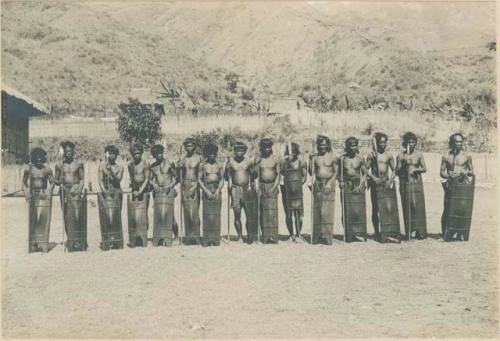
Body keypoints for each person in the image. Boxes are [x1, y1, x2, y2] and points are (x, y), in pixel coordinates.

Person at [366, 133, 400, 243]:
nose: (383, 144)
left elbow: (395, 170)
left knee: (387, 208)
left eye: (385, 142)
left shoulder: (389, 156)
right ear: (377, 143)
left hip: (386, 184)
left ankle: (387, 231)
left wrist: (390, 180)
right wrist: (373, 178)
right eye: (381, 142)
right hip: (376, 185)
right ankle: (377, 232)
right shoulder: (372, 156)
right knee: (375, 209)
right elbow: (365, 169)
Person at [440, 133, 474, 241]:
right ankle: (446, 231)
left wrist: (464, 173)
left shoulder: (467, 156)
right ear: (452, 143)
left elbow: (472, 171)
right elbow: (441, 172)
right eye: (456, 142)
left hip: (462, 186)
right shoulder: (446, 156)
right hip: (451, 186)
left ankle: (460, 232)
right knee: (447, 207)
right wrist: (449, 175)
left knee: (461, 209)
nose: (459, 144)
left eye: (460, 141)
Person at [54, 140, 87, 251]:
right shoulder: (59, 165)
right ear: (64, 152)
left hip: (75, 191)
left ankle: (79, 238)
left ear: (73, 151)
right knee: (67, 216)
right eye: (66, 151)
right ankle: (71, 239)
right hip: (64, 192)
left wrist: (78, 189)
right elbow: (56, 181)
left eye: (70, 151)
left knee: (77, 215)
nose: (68, 153)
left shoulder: (79, 164)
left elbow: (82, 180)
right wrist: (60, 181)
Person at [225, 141, 258, 243]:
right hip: (235, 190)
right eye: (237, 150)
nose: (239, 152)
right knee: (237, 214)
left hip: (247, 189)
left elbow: (254, 176)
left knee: (249, 215)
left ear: (244, 151)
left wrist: (253, 168)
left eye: (241, 150)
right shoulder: (230, 162)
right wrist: (226, 170)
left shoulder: (249, 161)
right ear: (234, 151)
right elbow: (226, 177)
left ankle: (249, 235)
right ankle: (239, 236)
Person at [396, 132, 427, 240]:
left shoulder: (419, 154)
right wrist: (404, 165)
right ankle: (409, 231)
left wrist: (415, 169)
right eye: (409, 142)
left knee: (417, 206)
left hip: (416, 182)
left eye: (413, 142)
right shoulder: (401, 156)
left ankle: (420, 231)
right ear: (405, 143)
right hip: (405, 183)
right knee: (407, 205)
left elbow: (424, 168)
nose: (411, 144)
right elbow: (397, 171)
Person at [23, 147, 54, 252]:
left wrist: (47, 192)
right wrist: (26, 193)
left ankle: (43, 243)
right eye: (37, 158)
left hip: (43, 195)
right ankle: (33, 243)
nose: (39, 160)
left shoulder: (47, 169)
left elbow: (52, 182)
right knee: (33, 218)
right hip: (33, 195)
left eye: (41, 157)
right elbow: (23, 183)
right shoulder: (29, 169)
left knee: (44, 218)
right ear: (33, 158)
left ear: (44, 158)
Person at [309, 135, 338, 245]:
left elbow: (336, 172)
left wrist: (330, 183)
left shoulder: (333, 157)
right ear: (317, 145)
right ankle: (317, 236)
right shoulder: (315, 157)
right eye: (320, 145)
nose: (322, 147)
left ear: (327, 145)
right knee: (318, 210)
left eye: (324, 145)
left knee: (327, 211)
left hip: (329, 184)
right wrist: (310, 159)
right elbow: (311, 172)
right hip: (318, 184)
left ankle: (328, 236)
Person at [339, 137, 367, 242]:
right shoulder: (342, 159)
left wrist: (360, 185)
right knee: (346, 210)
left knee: (357, 210)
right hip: (346, 185)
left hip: (357, 185)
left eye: (355, 145)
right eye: (351, 146)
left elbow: (364, 174)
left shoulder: (360, 159)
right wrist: (340, 181)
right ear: (347, 147)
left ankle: (357, 232)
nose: (353, 148)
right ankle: (348, 233)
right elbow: (338, 173)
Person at [97, 145, 125, 250]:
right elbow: (100, 180)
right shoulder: (102, 166)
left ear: (116, 155)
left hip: (117, 193)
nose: (111, 155)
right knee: (107, 216)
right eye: (110, 153)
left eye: (114, 153)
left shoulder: (120, 167)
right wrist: (105, 192)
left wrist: (111, 172)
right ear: (106, 154)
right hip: (106, 193)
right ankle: (107, 239)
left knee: (116, 216)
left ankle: (116, 239)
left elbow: (118, 180)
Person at [150, 144, 179, 242]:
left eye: (161, 153)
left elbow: (177, 178)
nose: (159, 155)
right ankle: (161, 236)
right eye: (157, 153)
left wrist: (170, 186)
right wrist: (154, 185)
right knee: (160, 214)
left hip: (169, 191)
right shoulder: (153, 166)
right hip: (158, 192)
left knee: (170, 214)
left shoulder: (169, 163)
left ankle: (176, 236)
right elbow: (149, 180)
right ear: (154, 155)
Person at [199, 143, 225, 246]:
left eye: (214, 154)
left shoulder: (219, 165)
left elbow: (222, 179)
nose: (212, 156)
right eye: (210, 154)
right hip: (207, 190)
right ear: (207, 154)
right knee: (207, 215)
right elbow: (199, 180)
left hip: (216, 189)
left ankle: (215, 239)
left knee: (216, 215)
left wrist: (218, 189)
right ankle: (207, 239)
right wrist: (206, 191)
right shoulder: (203, 166)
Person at [256, 138, 281, 243]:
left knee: (273, 212)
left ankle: (274, 236)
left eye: (269, 147)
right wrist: (258, 188)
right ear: (262, 148)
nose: (267, 149)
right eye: (265, 147)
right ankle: (265, 236)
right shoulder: (259, 160)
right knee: (263, 212)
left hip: (273, 186)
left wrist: (274, 187)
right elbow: (255, 175)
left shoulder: (275, 159)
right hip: (262, 187)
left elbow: (278, 175)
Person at [281, 142, 307, 242]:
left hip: (297, 191)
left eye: (293, 153)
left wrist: (298, 184)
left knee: (299, 213)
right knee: (288, 214)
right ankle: (291, 234)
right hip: (287, 192)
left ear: (296, 153)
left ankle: (298, 234)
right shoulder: (284, 163)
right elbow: (282, 174)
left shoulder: (301, 163)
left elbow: (304, 176)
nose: (291, 155)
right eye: (290, 153)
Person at [178, 138, 202, 245]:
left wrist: (195, 186)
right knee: (187, 211)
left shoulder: (199, 159)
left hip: (194, 184)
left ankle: (196, 236)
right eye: (187, 146)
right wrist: (178, 166)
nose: (189, 148)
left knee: (194, 212)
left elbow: (201, 176)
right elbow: (179, 175)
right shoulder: (183, 159)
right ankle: (188, 236)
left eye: (191, 146)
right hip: (185, 185)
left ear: (195, 147)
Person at [127, 143, 150, 247]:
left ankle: (143, 235)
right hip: (134, 191)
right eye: (135, 153)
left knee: (144, 213)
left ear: (141, 153)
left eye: (139, 153)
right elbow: (132, 178)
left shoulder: (145, 164)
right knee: (135, 214)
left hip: (144, 191)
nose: (137, 155)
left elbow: (147, 179)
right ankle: (136, 235)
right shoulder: (130, 165)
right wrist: (134, 190)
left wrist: (140, 191)